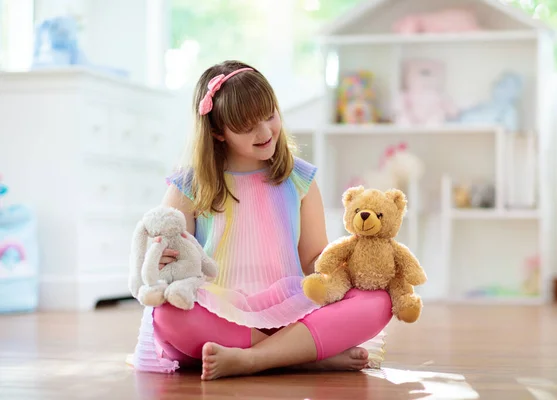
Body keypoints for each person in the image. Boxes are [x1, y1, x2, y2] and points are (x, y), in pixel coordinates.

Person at [130, 60, 392, 381]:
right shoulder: (189, 186)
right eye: (247, 126)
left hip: (290, 311)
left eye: (269, 115)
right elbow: (170, 260)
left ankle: (255, 359)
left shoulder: (299, 179)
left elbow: (314, 259)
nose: (265, 132)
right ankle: (298, 356)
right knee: (168, 314)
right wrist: (162, 262)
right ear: (217, 131)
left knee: (377, 300)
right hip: (220, 311)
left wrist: (357, 263)